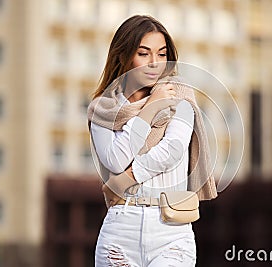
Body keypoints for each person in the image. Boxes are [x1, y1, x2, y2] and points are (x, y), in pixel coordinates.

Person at [87, 15, 217, 267]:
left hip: (171, 231)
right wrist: (150, 109)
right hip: (120, 231)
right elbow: (115, 159)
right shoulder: (103, 108)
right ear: (122, 57)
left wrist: (125, 180)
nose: (154, 63)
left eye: (161, 53)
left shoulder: (180, 95)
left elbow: (173, 149)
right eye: (144, 54)